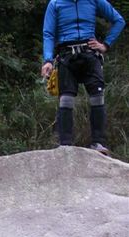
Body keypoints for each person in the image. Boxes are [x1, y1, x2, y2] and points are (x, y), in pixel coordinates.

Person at [41, 0, 125, 154]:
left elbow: (119, 20)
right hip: (66, 56)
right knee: (66, 99)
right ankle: (65, 145)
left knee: (97, 96)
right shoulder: (55, 3)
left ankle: (98, 143)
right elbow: (48, 33)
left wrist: (106, 44)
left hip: (90, 55)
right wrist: (47, 60)